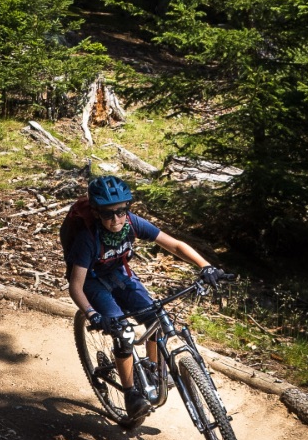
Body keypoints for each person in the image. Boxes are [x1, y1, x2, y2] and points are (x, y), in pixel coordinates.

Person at [62, 173, 212, 426]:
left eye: (121, 211)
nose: (116, 219)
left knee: (156, 319)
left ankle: (153, 370)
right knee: (123, 332)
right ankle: (131, 393)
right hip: (92, 282)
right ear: (96, 213)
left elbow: (174, 245)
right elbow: (76, 286)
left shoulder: (132, 223)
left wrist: (205, 266)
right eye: (108, 214)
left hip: (120, 274)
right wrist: (92, 314)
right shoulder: (87, 239)